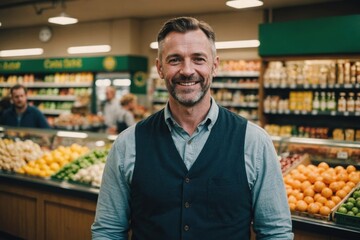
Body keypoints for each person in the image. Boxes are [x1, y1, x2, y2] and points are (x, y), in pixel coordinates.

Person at [92, 17, 294, 240]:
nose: (187, 70)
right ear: (159, 68)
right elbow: (108, 231)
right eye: (175, 60)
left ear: (214, 66)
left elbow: (275, 232)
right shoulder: (127, 144)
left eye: (198, 59)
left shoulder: (254, 141)